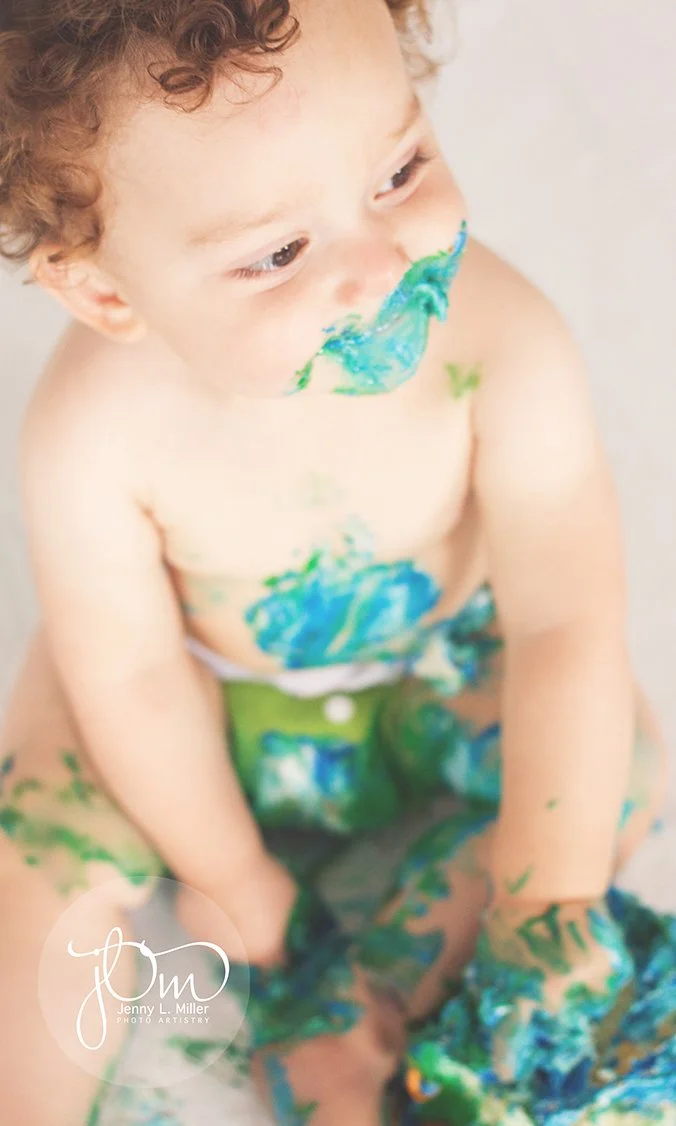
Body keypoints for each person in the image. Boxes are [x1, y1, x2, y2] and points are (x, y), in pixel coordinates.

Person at [0, 0, 669, 1123]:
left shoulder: (506, 341)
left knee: (621, 772)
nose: (378, 265)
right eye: (277, 252)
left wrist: (545, 895)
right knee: (40, 846)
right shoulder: (89, 434)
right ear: (108, 291)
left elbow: (563, 620)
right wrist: (232, 885)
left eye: (398, 171)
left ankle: (365, 1003)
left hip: (429, 673)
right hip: (193, 701)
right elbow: (131, 677)